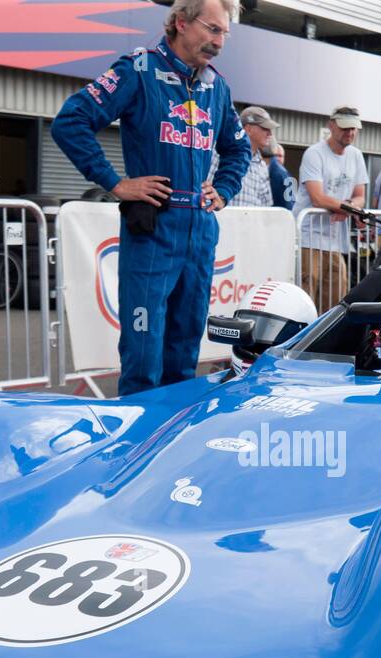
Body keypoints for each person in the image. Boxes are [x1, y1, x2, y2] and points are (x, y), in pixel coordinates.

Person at [51, 0, 250, 396]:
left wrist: (223, 189)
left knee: (183, 354)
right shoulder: (139, 69)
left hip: (199, 233)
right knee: (143, 359)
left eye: (224, 32)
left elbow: (239, 149)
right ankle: (134, 448)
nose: (220, 42)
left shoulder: (217, 85)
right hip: (153, 230)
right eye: (212, 29)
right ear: (181, 22)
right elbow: (70, 122)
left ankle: (171, 448)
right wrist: (115, 182)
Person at [292, 105, 368, 312]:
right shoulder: (314, 153)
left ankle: (327, 340)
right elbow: (317, 198)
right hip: (309, 236)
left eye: (354, 128)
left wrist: (349, 208)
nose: (350, 133)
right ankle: (301, 339)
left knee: (336, 296)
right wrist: (348, 209)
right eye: (345, 128)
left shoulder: (356, 155)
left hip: (336, 239)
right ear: (331, 125)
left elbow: (360, 196)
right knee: (306, 295)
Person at [230, 106, 278, 207]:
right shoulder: (221, 154)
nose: (270, 133)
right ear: (248, 129)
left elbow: (266, 206)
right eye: (265, 128)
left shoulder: (262, 166)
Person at [266, 143, 295, 210]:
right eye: (276, 156)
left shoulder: (287, 176)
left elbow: (291, 203)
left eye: (280, 156)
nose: (278, 159)